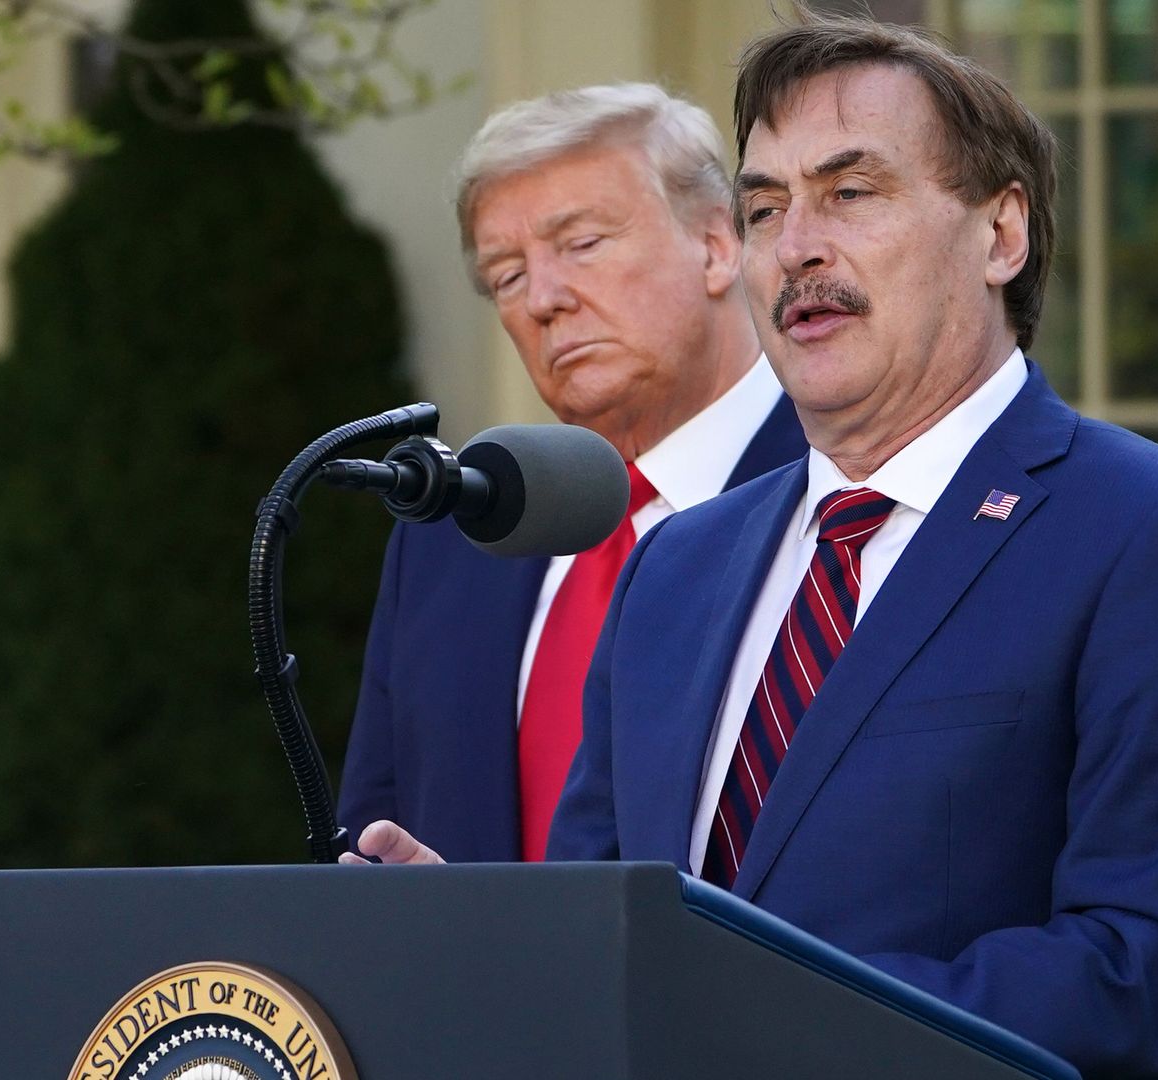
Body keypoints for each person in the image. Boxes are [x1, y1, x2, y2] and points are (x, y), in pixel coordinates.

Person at [351, 18, 1158, 1079]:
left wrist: (745, 1018)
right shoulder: (676, 564)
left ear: (1002, 235)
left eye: (851, 193)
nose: (797, 245)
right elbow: (606, 929)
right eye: (765, 207)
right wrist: (483, 938)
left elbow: (1146, 968)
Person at [336, 84, 807, 865]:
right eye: (508, 276)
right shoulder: (450, 540)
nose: (545, 300)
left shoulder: (848, 492)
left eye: (582, 243)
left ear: (718, 244)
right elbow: (372, 839)